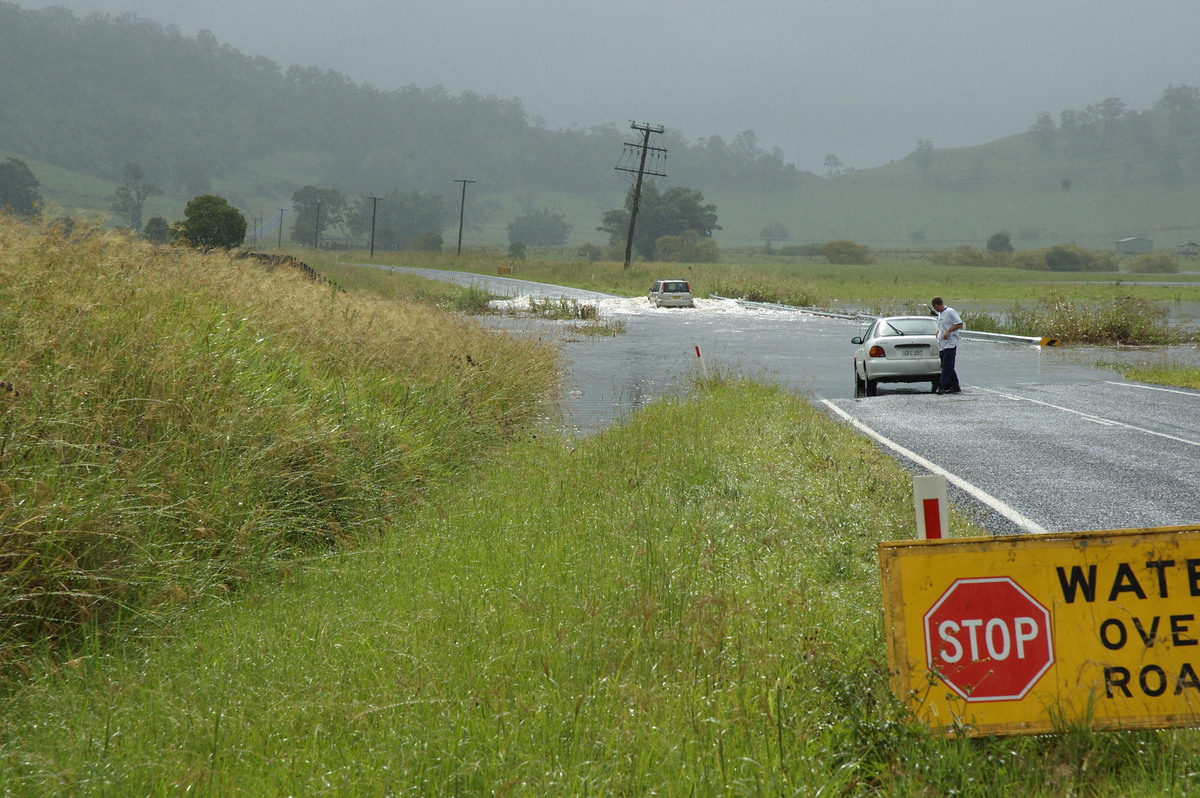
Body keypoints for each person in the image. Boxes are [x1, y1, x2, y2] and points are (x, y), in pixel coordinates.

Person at [931, 297, 963, 394]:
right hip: (942, 344)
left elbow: (959, 323)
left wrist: (948, 331)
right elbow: (942, 325)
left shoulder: (950, 312)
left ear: (937, 304)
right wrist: (938, 332)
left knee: (946, 366)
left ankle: (941, 386)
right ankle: (955, 386)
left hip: (950, 343)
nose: (935, 309)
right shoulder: (940, 314)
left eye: (935, 307)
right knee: (946, 366)